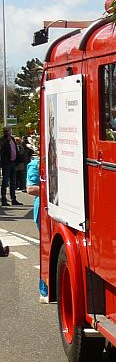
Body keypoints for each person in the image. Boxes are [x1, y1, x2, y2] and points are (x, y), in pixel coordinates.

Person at [25, 154, 47, 301]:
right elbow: (31, 189)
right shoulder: (35, 164)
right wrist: (53, 187)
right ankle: (45, 291)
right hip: (43, 210)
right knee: (46, 248)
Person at [1, 127, 21, 206]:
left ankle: (13, 199)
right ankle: (4, 199)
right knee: (5, 182)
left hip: (13, 163)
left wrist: (18, 161)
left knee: (13, 182)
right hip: (6, 163)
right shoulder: (2, 140)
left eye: (8, 131)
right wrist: (7, 140)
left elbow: (15, 150)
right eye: (5, 131)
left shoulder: (12, 139)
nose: (6, 133)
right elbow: (2, 147)